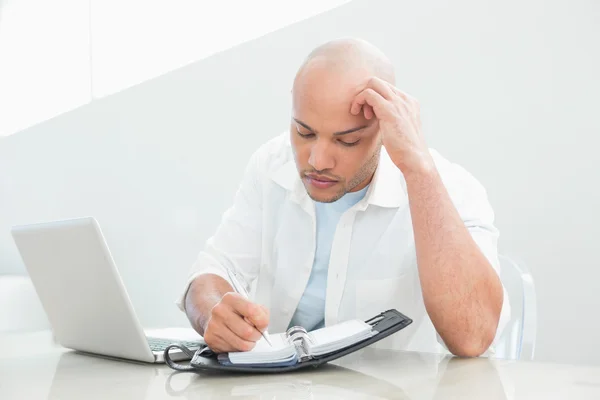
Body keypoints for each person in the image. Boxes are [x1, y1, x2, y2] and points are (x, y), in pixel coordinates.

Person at [176, 38, 510, 357]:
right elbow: (211, 271)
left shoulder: (450, 188)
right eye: (304, 132)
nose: (318, 161)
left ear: (386, 128)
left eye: (346, 141)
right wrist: (212, 314)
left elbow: (474, 337)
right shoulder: (271, 166)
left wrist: (419, 171)